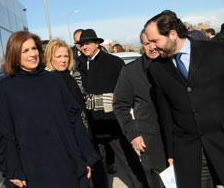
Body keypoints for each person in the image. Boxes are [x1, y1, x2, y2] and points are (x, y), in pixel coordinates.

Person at [0, 31, 98, 188]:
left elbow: (74, 119)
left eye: (34, 48)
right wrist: (13, 169)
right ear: (15, 55)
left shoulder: (54, 80)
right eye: (25, 50)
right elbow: (5, 130)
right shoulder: (7, 87)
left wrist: (85, 156)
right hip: (31, 169)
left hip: (66, 163)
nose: (32, 54)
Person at [144, 10, 224, 187]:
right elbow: (165, 113)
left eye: (155, 40)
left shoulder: (216, 52)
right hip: (188, 150)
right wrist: (171, 151)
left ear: (173, 34)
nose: (153, 47)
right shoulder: (157, 69)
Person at [76, 29, 149, 188]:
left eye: (88, 43)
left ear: (97, 43)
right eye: (81, 44)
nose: (84, 46)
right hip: (92, 125)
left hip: (113, 122)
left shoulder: (113, 62)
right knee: (97, 165)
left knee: (129, 161)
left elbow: (126, 88)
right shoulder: (77, 64)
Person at [113, 30, 167, 188]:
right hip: (153, 141)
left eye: (154, 42)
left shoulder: (173, 63)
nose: (151, 47)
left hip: (181, 138)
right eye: (146, 43)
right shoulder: (131, 71)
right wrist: (133, 135)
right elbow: (120, 105)